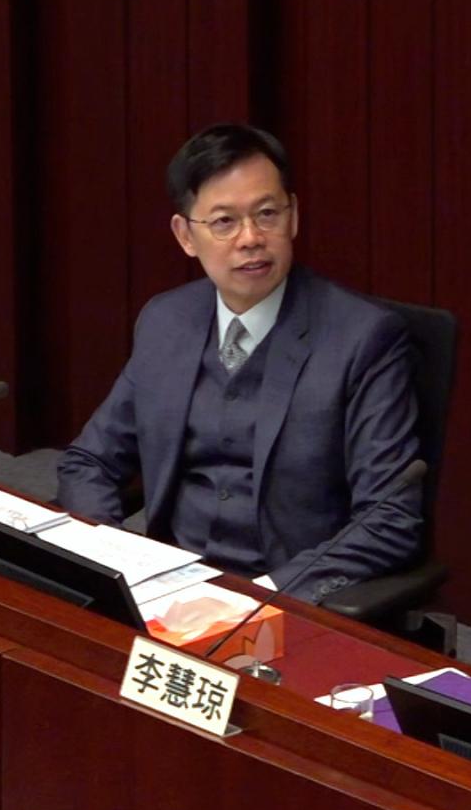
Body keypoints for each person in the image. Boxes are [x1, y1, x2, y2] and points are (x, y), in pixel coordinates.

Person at [57, 124, 423, 604]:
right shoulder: (167, 321)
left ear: (293, 219)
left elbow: (391, 516)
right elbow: (90, 460)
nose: (251, 238)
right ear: (185, 236)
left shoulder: (363, 339)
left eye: (268, 214)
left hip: (283, 599)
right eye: (225, 222)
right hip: (166, 590)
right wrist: (118, 559)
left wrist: (267, 598)